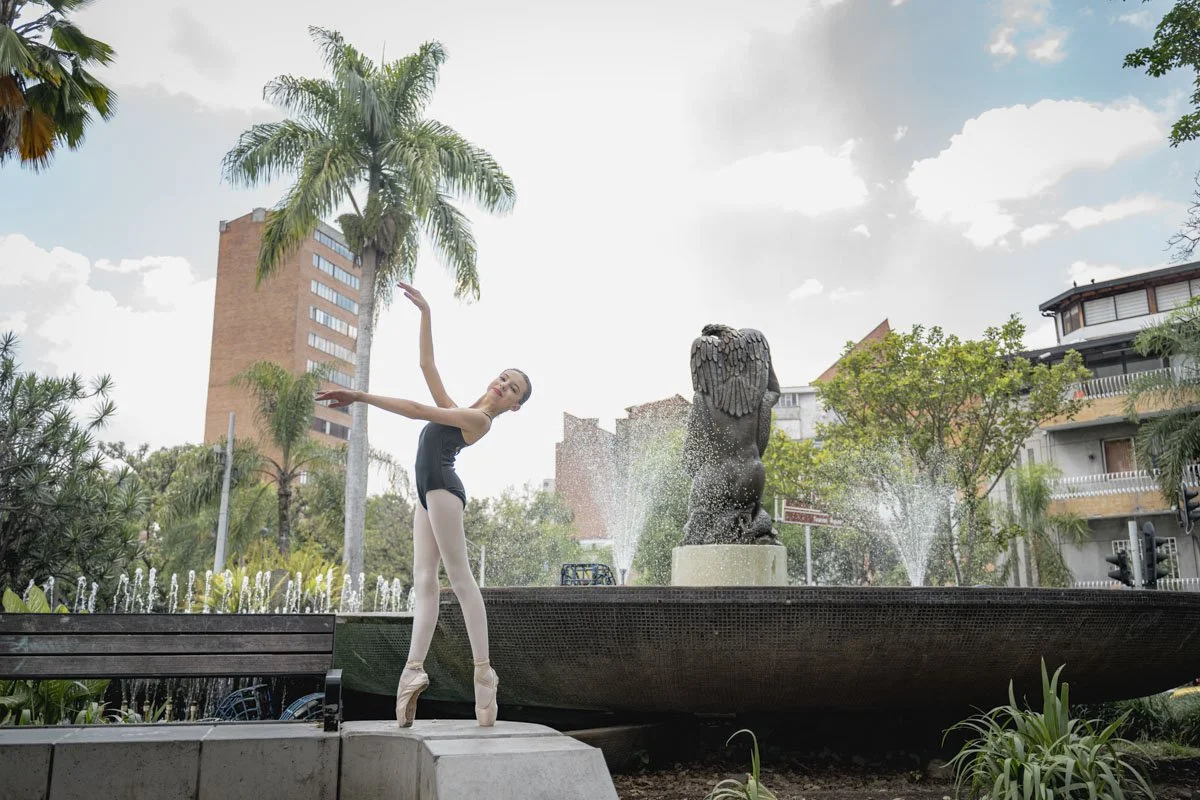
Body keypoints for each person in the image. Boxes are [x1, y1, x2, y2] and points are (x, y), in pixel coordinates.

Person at [315, 281, 532, 728]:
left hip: (444, 492)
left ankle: (483, 672)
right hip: (424, 494)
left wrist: (360, 397)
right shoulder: (458, 406)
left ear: (513, 407)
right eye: (503, 378)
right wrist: (426, 312)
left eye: (511, 389)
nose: (502, 385)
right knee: (423, 583)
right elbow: (427, 365)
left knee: (461, 580)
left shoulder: (478, 421)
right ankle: (413, 671)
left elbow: (416, 409)